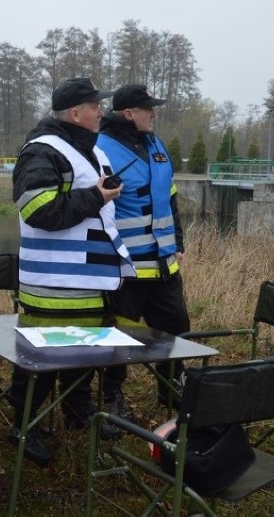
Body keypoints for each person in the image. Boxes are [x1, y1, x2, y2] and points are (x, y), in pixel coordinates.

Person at [9, 77, 136, 466]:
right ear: (75, 113)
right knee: (40, 365)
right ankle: (23, 427)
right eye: (95, 106)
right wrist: (95, 195)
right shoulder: (42, 151)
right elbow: (37, 209)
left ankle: (76, 413)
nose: (101, 111)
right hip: (52, 287)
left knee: (86, 353)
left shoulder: (93, 152)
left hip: (91, 283)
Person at [97, 84, 191, 408]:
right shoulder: (101, 148)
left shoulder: (156, 144)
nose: (154, 112)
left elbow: (171, 196)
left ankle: (171, 389)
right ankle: (112, 396)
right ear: (128, 113)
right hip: (126, 267)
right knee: (120, 335)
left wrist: (178, 241)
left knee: (177, 327)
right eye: (148, 108)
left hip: (165, 264)